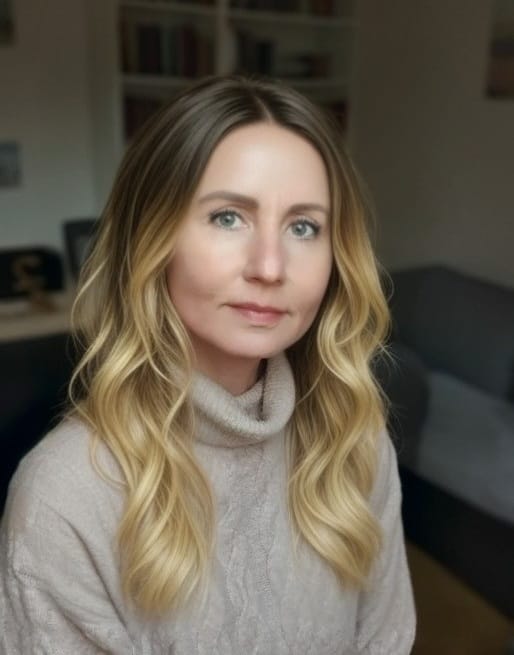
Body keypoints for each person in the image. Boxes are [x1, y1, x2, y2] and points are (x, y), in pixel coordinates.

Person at [0, 75, 416, 654]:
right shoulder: (64, 497)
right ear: (151, 238)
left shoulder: (356, 442)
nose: (269, 266)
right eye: (228, 217)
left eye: (303, 227)